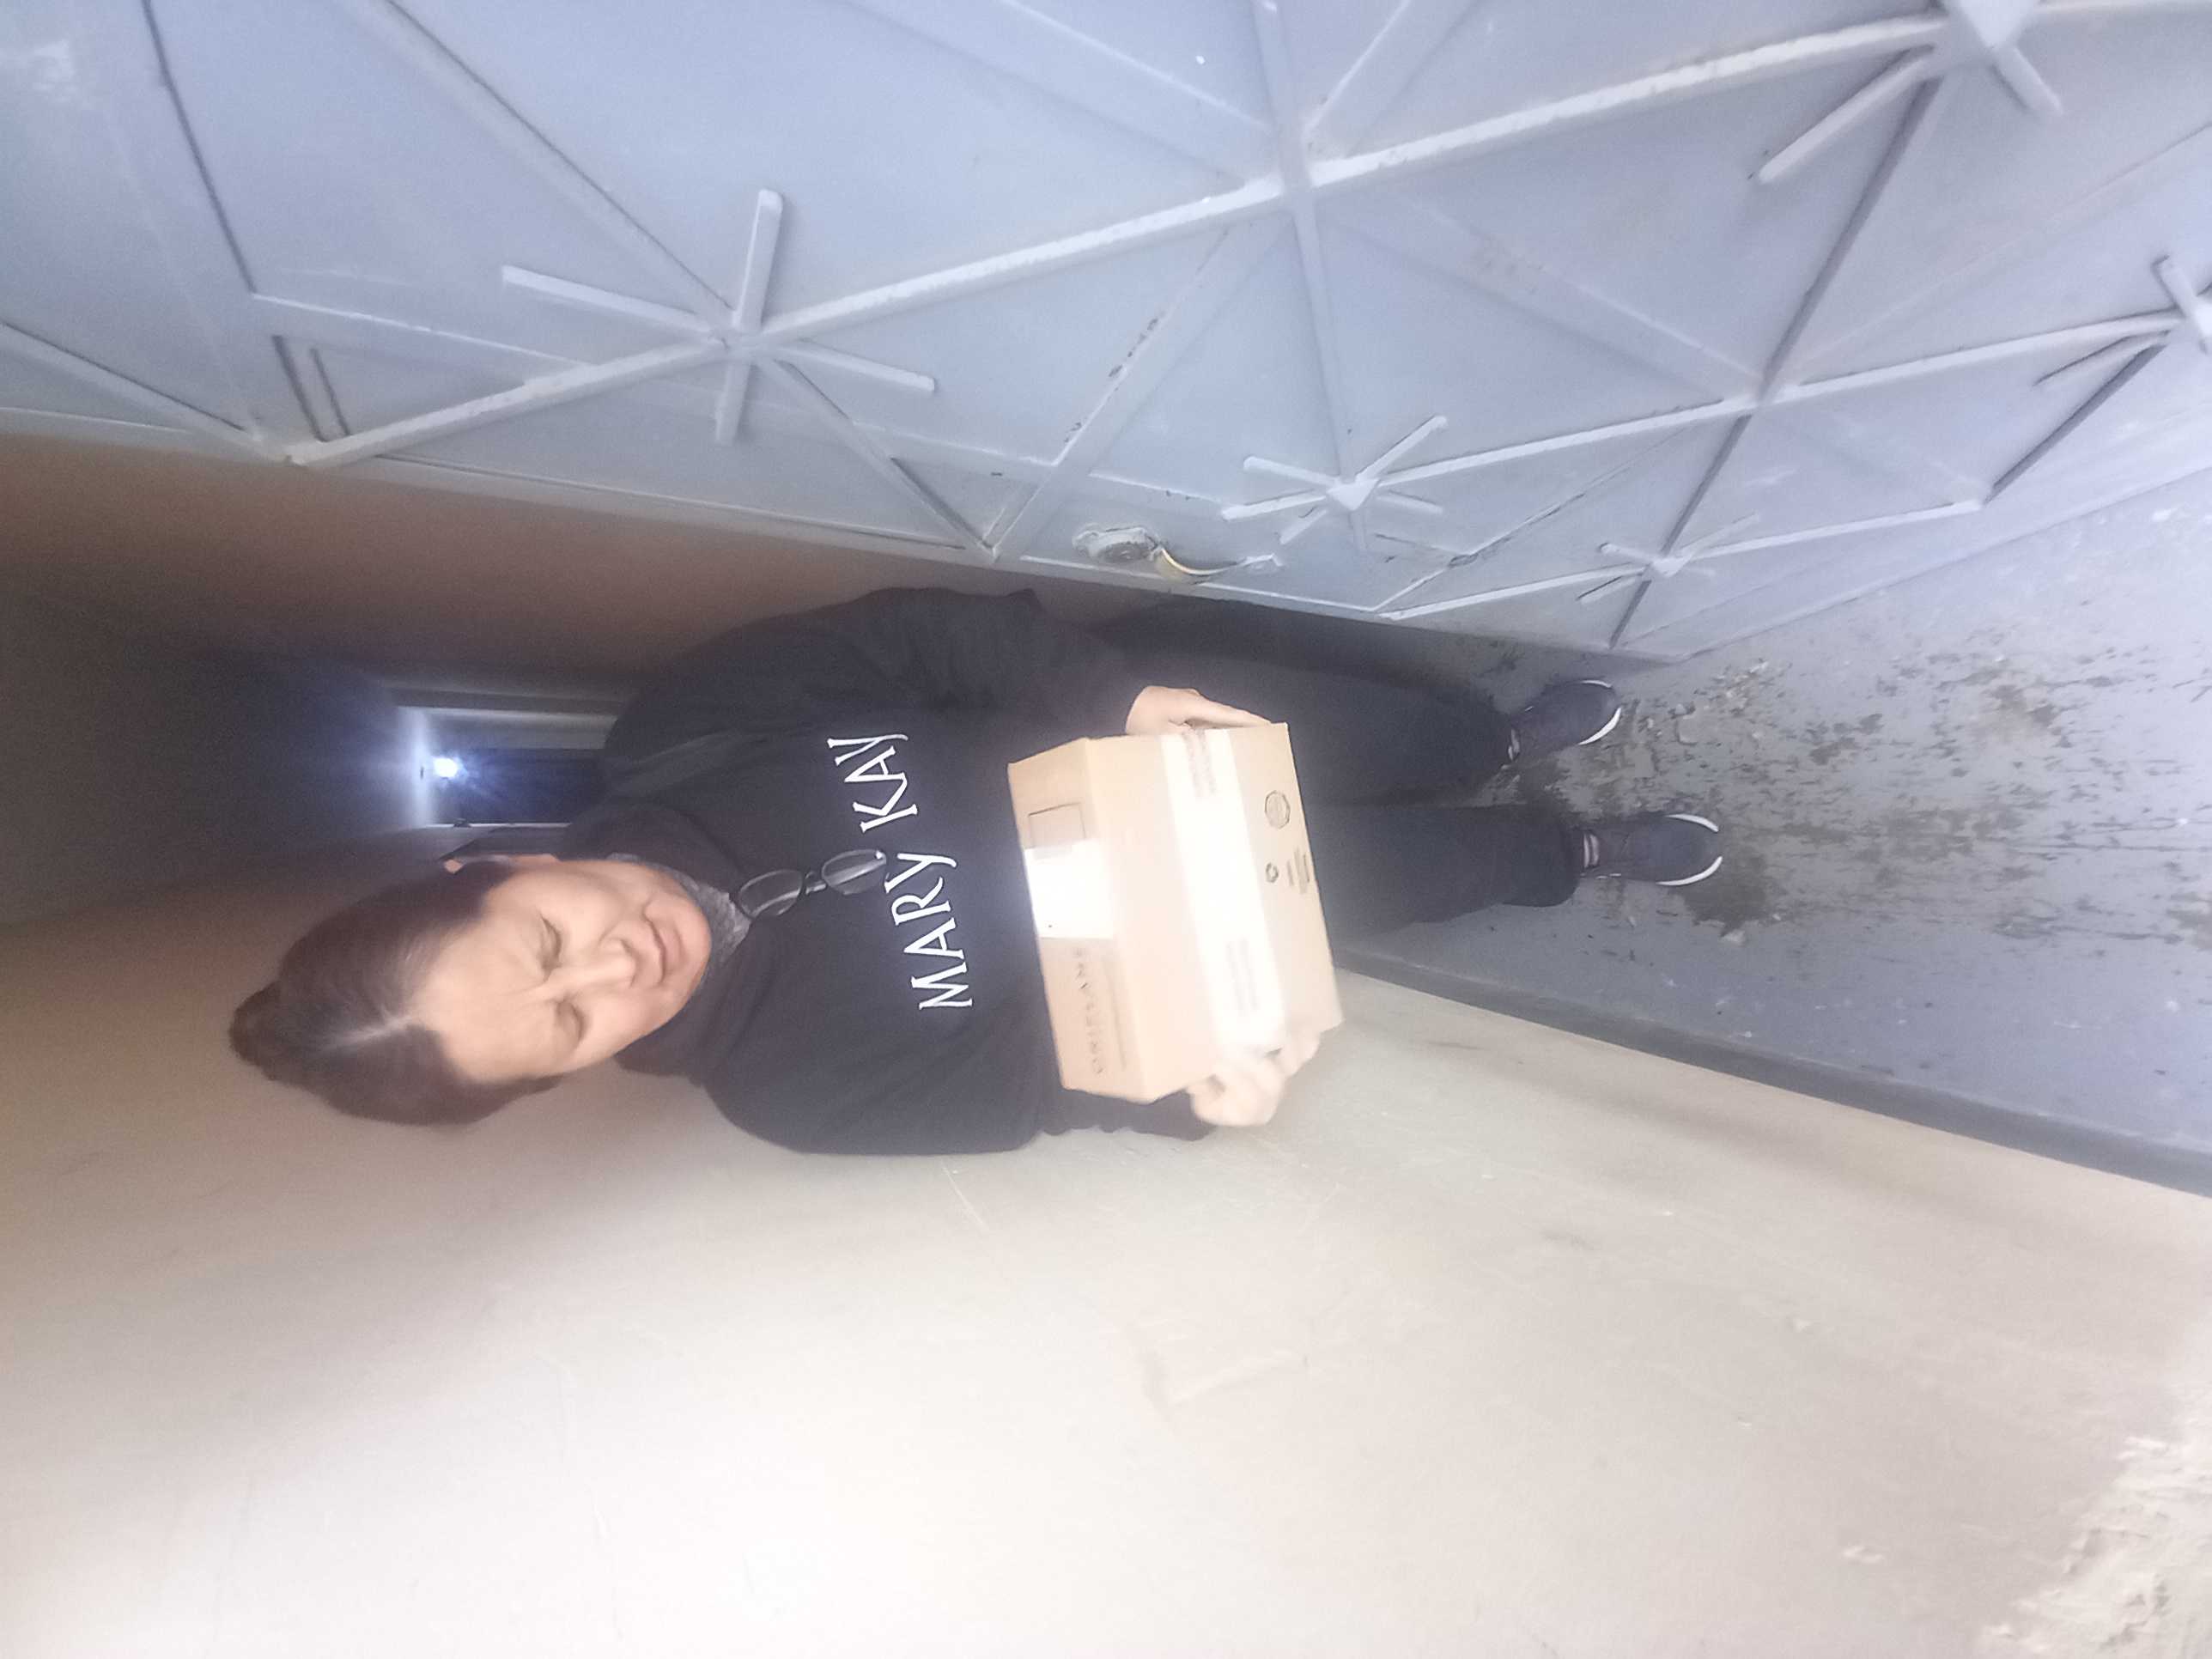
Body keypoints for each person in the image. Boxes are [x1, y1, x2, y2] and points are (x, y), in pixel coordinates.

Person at [231, 588, 1721, 1152]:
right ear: (567, 1073)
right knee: (1438, 868)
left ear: (502, 861)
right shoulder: (799, 1095)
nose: (613, 971)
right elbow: (1050, 1086)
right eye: (568, 1021)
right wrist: (1196, 1100)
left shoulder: (689, 736)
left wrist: (1117, 697)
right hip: (1226, 906)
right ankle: (1571, 849)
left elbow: (914, 643)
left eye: (547, 942)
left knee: (1397, 733)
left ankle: (1493, 735)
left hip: (1158, 732)